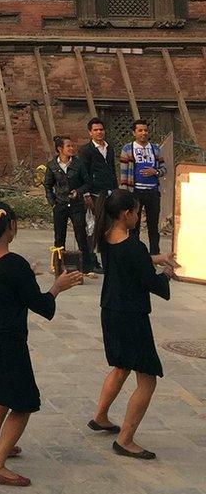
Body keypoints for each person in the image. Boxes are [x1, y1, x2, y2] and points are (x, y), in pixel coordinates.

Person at [0, 202, 82, 487]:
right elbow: (41, 305)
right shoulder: (15, 264)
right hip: (8, 342)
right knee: (24, 402)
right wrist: (59, 285)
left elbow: (4, 286)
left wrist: (26, 276)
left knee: (2, 392)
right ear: (11, 227)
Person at [89, 188, 175, 459]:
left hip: (111, 310)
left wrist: (155, 259)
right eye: (137, 212)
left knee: (121, 365)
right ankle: (125, 439)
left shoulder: (104, 238)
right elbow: (152, 283)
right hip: (131, 316)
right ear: (127, 214)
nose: (138, 216)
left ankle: (100, 416)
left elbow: (131, 262)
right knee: (148, 379)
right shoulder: (134, 246)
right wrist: (166, 273)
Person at [44, 136, 98, 275]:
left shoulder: (78, 164)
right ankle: (58, 266)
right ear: (60, 149)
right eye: (68, 146)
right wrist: (53, 202)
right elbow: (48, 186)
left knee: (81, 234)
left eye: (72, 146)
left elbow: (87, 183)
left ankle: (86, 267)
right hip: (60, 204)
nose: (72, 149)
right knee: (59, 236)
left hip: (76, 204)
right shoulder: (52, 165)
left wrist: (78, 191)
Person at [120, 120, 167, 256]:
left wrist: (155, 172)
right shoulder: (128, 149)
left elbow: (164, 169)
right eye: (140, 130)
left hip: (152, 192)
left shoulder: (155, 148)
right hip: (135, 192)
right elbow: (123, 173)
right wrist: (124, 194)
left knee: (153, 226)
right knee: (133, 225)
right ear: (134, 132)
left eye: (145, 130)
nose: (143, 133)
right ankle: (135, 254)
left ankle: (154, 254)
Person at [78, 117, 118, 254]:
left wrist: (115, 190)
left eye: (101, 129)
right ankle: (90, 258)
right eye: (95, 130)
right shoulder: (86, 150)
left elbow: (112, 170)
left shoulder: (109, 148)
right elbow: (84, 173)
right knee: (93, 227)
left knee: (108, 225)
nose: (99, 132)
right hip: (94, 194)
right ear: (90, 133)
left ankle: (106, 254)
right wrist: (86, 193)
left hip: (109, 192)